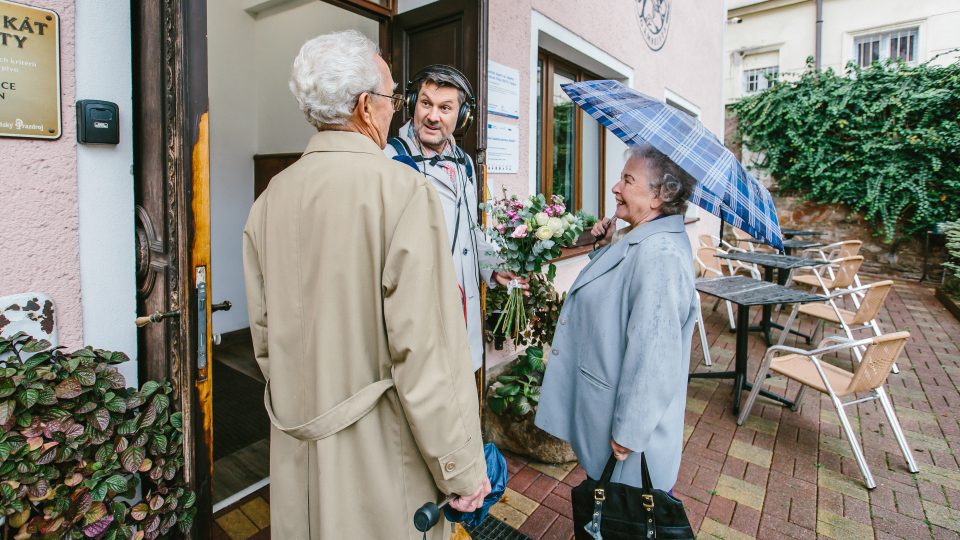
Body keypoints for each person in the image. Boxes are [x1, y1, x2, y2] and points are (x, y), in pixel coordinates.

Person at [242, 31, 489, 539]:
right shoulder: (402, 191)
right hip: (379, 456)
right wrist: (462, 469)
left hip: (298, 450)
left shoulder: (270, 197)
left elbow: (265, 341)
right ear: (363, 106)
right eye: (394, 97)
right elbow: (426, 355)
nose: (396, 109)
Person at [534, 144, 699, 492]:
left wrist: (630, 431)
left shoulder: (660, 256)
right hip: (606, 417)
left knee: (623, 520)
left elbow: (654, 357)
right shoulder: (639, 238)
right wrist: (606, 246)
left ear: (659, 196)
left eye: (628, 180)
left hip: (628, 447)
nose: (615, 188)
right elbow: (613, 296)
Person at [384, 65, 524, 374]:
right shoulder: (389, 159)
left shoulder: (464, 164)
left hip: (463, 315)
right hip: (416, 317)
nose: (433, 116)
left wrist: (493, 267)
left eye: (445, 108)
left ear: (461, 117)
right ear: (411, 104)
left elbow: (470, 229)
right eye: (425, 103)